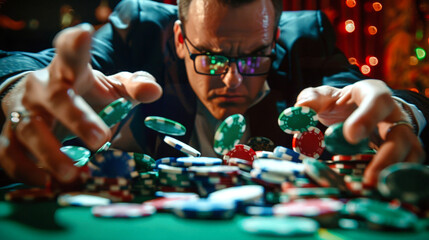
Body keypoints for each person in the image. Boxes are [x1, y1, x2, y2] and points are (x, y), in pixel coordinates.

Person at [0, 0, 427, 188]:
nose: (231, 82)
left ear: (275, 39)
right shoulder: (141, 27)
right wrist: (20, 92)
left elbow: (353, 96)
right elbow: (28, 66)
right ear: (181, 39)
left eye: (255, 56)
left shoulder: (306, 39)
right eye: (211, 55)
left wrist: (401, 116)